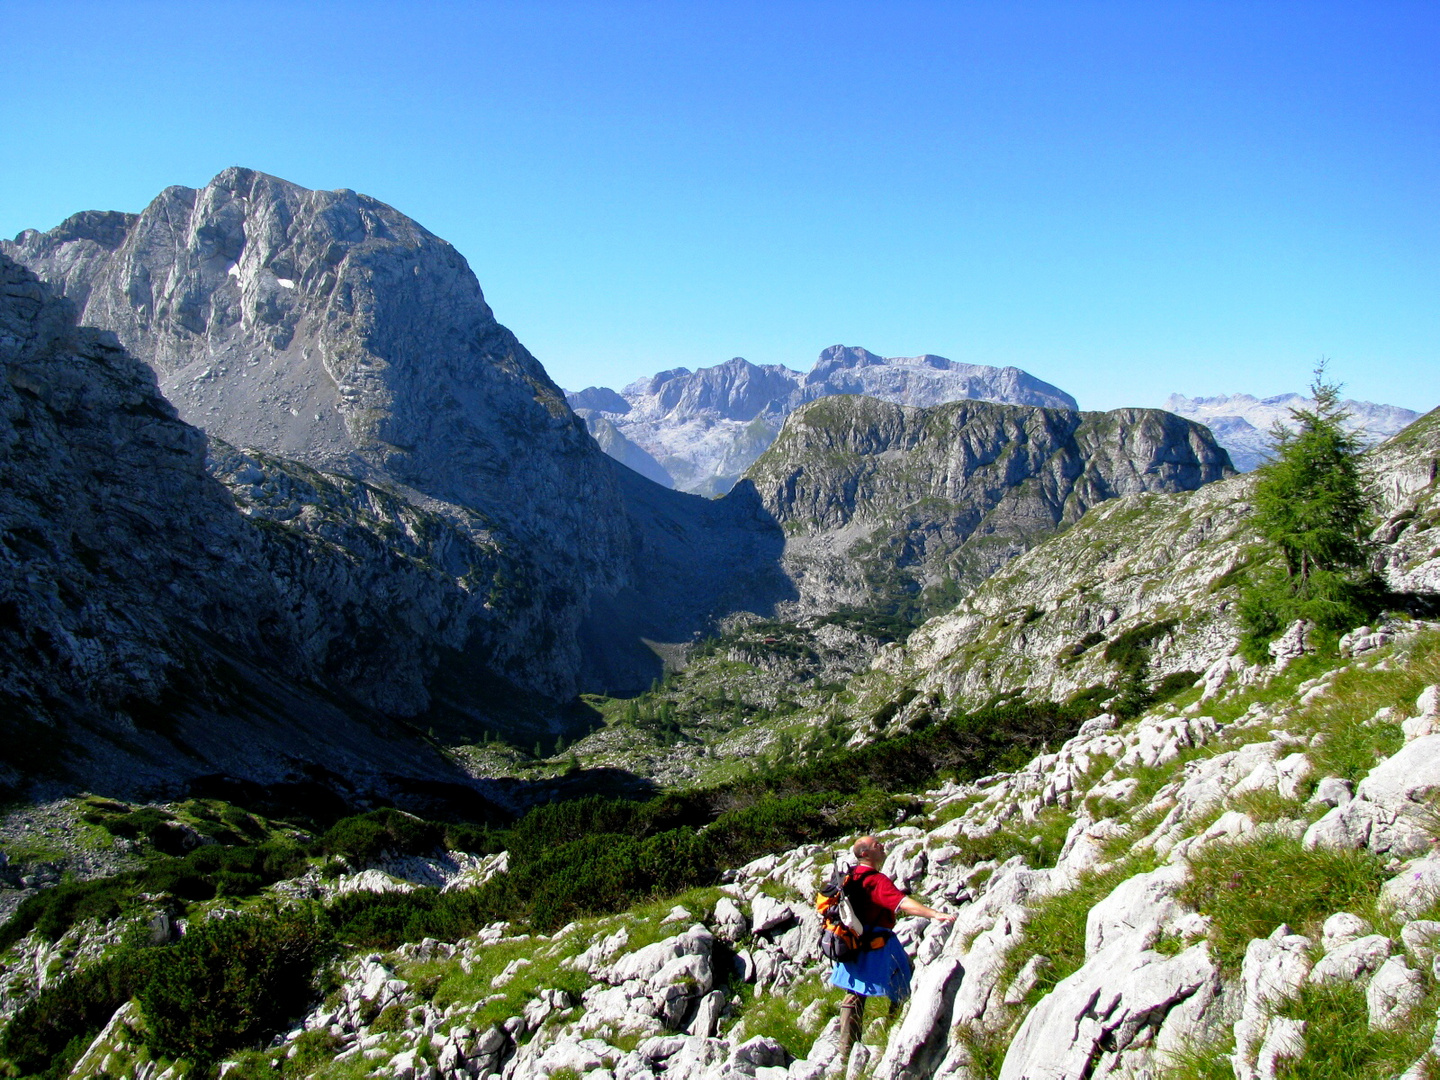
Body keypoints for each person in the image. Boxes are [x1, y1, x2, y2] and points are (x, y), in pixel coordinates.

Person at [831, 835, 955, 1075]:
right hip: (878, 944)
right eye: (877, 845)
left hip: (851, 943)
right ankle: (895, 1031)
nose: (883, 845)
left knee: (854, 995)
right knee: (903, 985)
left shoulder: (849, 877)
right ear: (865, 854)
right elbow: (901, 903)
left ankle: (846, 1052)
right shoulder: (875, 880)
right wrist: (933, 914)